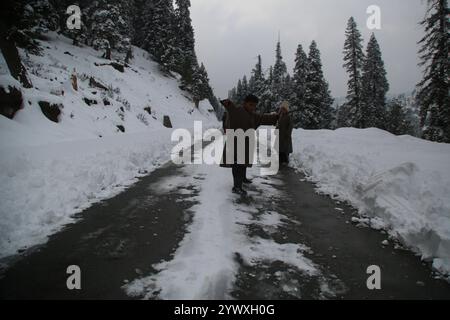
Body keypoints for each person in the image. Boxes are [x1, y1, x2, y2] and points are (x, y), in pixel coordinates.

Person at [220, 94, 284, 196]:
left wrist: (276, 116)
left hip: (246, 143)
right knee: (237, 165)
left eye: (254, 106)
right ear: (244, 103)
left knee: (243, 163)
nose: (252, 107)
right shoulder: (237, 111)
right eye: (250, 105)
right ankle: (236, 187)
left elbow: (263, 118)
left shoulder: (253, 115)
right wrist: (227, 103)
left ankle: (243, 178)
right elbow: (230, 108)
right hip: (236, 143)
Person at [276, 101, 293, 165]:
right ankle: (280, 161)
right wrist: (276, 130)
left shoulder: (288, 116)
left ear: (286, 109)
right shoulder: (281, 116)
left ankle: (285, 161)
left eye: (284, 109)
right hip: (280, 136)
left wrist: (287, 134)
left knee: (285, 150)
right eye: (282, 108)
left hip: (285, 137)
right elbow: (278, 125)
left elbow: (290, 126)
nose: (283, 110)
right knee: (280, 149)